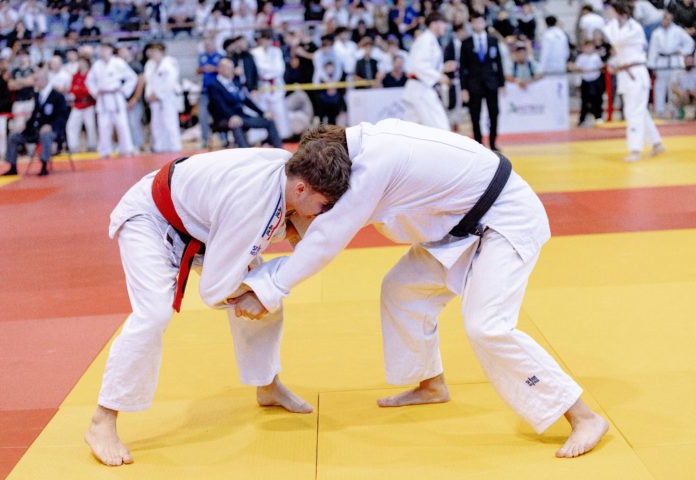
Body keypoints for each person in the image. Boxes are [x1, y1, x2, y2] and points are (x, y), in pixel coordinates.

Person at [238, 120, 611, 459]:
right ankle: (431, 384)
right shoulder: (363, 148)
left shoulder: (375, 166)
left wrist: (268, 289)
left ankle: (584, 416)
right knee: (402, 289)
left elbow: (326, 238)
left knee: (487, 326)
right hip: (459, 224)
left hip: (506, 218)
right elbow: (321, 223)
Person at [84, 142, 352, 467]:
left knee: (267, 300)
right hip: (152, 219)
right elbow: (213, 291)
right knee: (154, 314)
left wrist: (265, 283)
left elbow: (275, 224)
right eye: (322, 205)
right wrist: (254, 293)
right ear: (301, 188)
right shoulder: (253, 207)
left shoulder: (289, 167)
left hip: (201, 225)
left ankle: (267, 386)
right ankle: (102, 420)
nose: (321, 213)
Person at [603, 0, 664, 161]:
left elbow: (617, 40)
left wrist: (612, 22)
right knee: (639, 111)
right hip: (625, 74)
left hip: (636, 73)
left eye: (611, 11)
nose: (608, 13)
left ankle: (635, 150)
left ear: (621, 13)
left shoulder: (633, 27)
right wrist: (613, 64)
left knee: (633, 112)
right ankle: (657, 143)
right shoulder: (617, 26)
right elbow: (618, 50)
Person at [2, 69, 68, 176]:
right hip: (34, 131)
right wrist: (25, 127)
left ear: (45, 80)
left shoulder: (57, 96)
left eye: (37, 80)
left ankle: (44, 166)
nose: (35, 82)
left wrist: (51, 126)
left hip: (53, 131)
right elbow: (34, 116)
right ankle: (12, 167)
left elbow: (63, 116)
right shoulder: (37, 95)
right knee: (13, 136)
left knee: (45, 134)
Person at [206, 57, 282, 148]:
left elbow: (246, 100)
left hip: (242, 116)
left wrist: (263, 113)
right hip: (223, 118)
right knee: (236, 123)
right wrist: (231, 116)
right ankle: (245, 151)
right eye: (228, 68)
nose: (231, 71)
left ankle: (279, 149)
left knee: (269, 120)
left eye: (232, 68)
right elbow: (220, 105)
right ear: (220, 69)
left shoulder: (236, 82)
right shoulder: (213, 85)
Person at [460, 13, 505, 151]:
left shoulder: (493, 41)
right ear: (471, 24)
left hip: (491, 83)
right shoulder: (466, 43)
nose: (478, 24)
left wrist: (502, 83)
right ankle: (478, 144)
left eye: (480, 22)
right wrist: (463, 88)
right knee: (475, 115)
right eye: (475, 22)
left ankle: (493, 143)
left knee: (494, 114)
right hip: (473, 84)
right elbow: (463, 67)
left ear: (485, 23)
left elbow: (499, 63)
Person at [401, 12, 452, 130]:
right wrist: (439, 77)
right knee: (441, 127)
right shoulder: (426, 40)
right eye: (443, 23)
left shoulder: (430, 40)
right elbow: (419, 66)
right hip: (421, 89)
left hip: (418, 88)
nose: (445, 27)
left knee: (410, 130)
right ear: (434, 24)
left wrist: (443, 68)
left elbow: (424, 65)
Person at [86, 42, 138, 158]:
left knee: (122, 125)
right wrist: (95, 92)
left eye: (105, 49)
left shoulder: (118, 63)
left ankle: (126, 149)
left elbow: (132, 77)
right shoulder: (97, 65)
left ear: (111, 50)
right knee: (103, 126)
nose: (103, 52)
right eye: (102, 49)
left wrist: (124, 91)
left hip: (116, 97)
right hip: (103, 98)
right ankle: (105, 150)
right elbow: (89, 81)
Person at [647, 12, 695, 118]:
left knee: (672, 87)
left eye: (667, 19)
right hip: (661, 62)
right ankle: (659, 111)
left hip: (674, 61)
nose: (665, 21)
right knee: (660, 87)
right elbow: (653, 49)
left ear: (671, 20)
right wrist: (652, 65)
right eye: (664, 19)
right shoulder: (656, 33)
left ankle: (673, 111)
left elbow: (690, 42)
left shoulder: (678, 31)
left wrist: (682, 52)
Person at [251, 29, 291, 140]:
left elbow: (279, 69)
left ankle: (282, 136)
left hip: (276, 85)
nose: (266, 41)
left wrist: (267, 71)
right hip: (261, 86)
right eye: (264, 39)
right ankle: (261, 138)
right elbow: (258, 69)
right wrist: (269, 71)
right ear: (260, 40)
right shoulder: (254, 52)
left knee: (279, 111)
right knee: (262, 112)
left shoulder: (277, 51)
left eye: (268, 39)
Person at [144, 42, 182, 153]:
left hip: (167, 97)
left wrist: (159, 94)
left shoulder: (170, 63)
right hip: (153, 99)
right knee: (156, 123)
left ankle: (175, 146)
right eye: (153, 52)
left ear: (162, 52)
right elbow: (148, 82)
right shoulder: (149, 64)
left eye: (156, 52)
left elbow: (171, 81)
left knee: (170, 122)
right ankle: (160, 146)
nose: (154, 54)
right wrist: (149, 95)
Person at [65, 55, 98, 152]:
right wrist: (80, 90)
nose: (81, 64)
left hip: (89, 104)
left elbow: (90, 90)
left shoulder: (91, 74)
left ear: (87, 63)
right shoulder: (76, 76)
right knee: (71, 125)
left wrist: (80, 89)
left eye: (83, 62)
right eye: (79, 62)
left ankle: (92, 146)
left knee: (90, 126)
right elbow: (72, 89)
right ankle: (73, 146)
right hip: (77, 104)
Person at [196, 36, 222, 148]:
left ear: (214, 45)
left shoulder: (220, 56)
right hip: (205, 90)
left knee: (220, 114)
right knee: (202, 115)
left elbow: (225, 71)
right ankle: (205, 139)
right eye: (205, 45)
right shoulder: (202, 57)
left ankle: (223, 139)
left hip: (218, 91)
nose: (207, 47)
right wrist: (202, 69)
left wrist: (214, 69)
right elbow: (197, 71)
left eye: (209, 45)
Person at [573, 40, 605, 126]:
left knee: (597, 100)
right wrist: (582, 70)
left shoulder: (596, 57)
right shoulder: (581, 57)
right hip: (585, 81)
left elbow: (601, 67)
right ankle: (582, 119)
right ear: (584, 48)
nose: (589, 49)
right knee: (585, 101)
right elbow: (576, 67)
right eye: (587, 47)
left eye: (591, 47)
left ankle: (598, 117)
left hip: (595, 80)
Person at [669, 53, 696, 118]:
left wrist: (692, 93)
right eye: (688, 61)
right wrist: (681, 93)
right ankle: (679, 113)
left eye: (691, 62)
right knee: (674, 98)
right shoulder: (678, 72)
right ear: (684, 61)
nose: (689, 63)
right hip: (682, 95)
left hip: (693, 95)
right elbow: (673, 87)